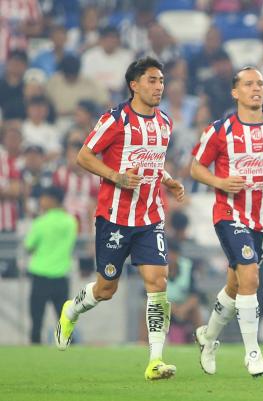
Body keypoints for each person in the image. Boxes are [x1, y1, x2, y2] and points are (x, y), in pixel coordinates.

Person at [55, 57, 186, 381]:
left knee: (158, 283)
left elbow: (152, 161)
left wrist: (167, 179)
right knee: (106, 288)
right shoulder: (115, 120)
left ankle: (155, 360)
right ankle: (71, 310)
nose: (159, 87)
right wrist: (115, 176)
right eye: (152, 80)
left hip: (150, 217)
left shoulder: (165, 122)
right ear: (134, 84)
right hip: (114, 217)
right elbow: (84, 155)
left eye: (161, 81)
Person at [190, 66, 263, 377]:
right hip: (230, 214)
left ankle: (208, 337)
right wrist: (219, 182)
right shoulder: (220, 130)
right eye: (249, 84)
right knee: (251, 277)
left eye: (261, 84)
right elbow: (196, 167)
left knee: (236, 284)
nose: (257, 88)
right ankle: (253, 353)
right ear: (235, 92)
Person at [25, 186, 77, 344]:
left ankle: (35, 349)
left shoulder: (40, 222)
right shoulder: (71, 221)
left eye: (43, 198)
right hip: (61, 274)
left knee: (37, 319)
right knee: (64, 319)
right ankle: (71, 352)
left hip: (40, 274)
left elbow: (29, 245)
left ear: (52, 200)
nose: (41, 201)